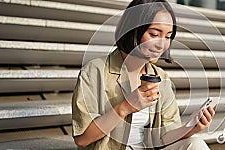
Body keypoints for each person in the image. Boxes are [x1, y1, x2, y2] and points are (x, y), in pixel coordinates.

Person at [71, 0, 215, 149]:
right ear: (133, 29)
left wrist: (192, 127)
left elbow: (164, 137)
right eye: (154, 34)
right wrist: (126, 107)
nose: (161, 45)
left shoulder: (161, 78)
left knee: (196, 144)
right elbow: (82, 139)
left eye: (167, 37)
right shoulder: (95, 71)